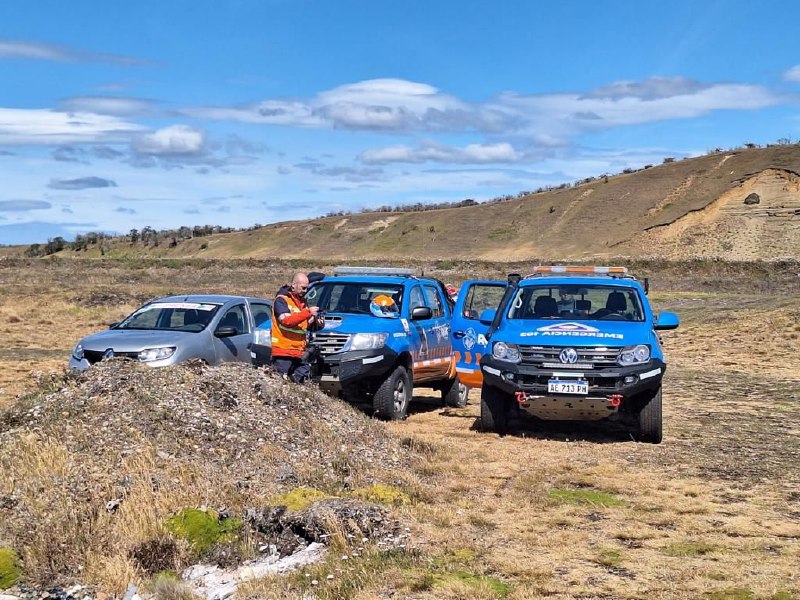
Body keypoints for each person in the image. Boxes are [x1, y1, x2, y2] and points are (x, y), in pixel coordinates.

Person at [270, 272, 324, 383]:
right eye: (303, 288)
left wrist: (316, 321)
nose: (305, 291)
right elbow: (286, 321)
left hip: (298, 351)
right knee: (280, 382)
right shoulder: (281, 300)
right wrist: (308, 312)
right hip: (283, 351)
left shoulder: (302, 302)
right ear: (294, 285)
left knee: (300, 376)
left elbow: (303, 324)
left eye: (307, 288)